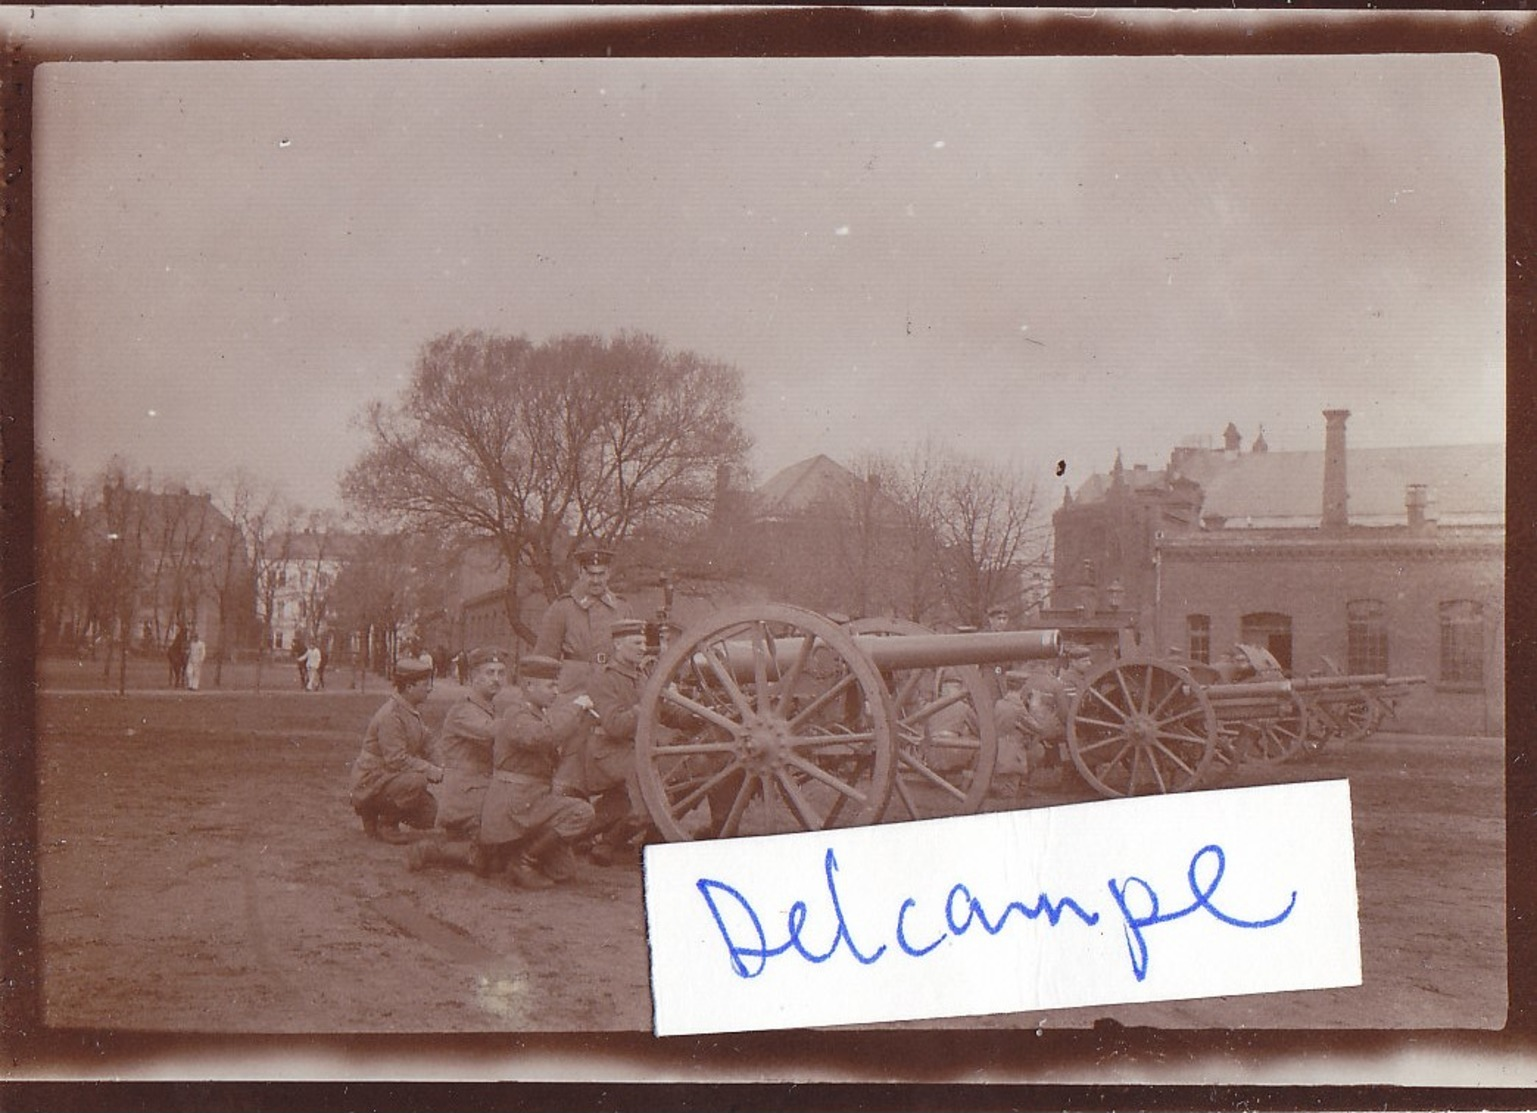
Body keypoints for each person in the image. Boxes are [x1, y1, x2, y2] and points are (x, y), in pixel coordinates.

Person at [477, 655, 597, 889]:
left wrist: (580, 721)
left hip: (531, 801)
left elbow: (554, 738)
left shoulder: (540, 714)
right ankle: (523, 861)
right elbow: (543, 737)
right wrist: (575, 708)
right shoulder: (515, 713)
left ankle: (511, 851)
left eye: (556, 684)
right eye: (550, 685)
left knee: (564, 872)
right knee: (582, 812)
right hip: (513, 803)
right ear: (529, 686)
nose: (556, 691)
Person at [561, 618, 653, 866]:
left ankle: (619, 839)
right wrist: (645, 707)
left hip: (632, 750)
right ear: (618, 644)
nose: (643, 648)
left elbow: (664, 712)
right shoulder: (604, 678)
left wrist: (693, 715)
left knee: (671, 776)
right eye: (637, 642)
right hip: (606, 751)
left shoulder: (641, 675)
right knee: (649, 794)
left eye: (644, 642)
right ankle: (608, 843)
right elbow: (615, 726)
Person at [407, 646, 504, 873]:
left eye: (501, 673)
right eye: (489, 673)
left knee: (498, 857)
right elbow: (491, 733)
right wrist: (521, 719)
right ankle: (431, 851)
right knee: (499, 848)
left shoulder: (490, 707)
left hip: (481, 791)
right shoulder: (464, 709)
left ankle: (465, 847)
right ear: (473, 677)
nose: (496, 679)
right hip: (466, 796)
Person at [350, 656, 443, 843]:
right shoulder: (392, 715)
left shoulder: (409, 710)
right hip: (370, 781)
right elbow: (396, 760)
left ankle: (374, 813)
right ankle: (386, 823)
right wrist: (432, 771)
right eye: (425, 684)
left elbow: (428, 743)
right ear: (409, 687)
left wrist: (444, 766)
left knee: (431, 815)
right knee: (417, 780)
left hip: (386, 780)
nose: (429, 688)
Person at [533, 543, 636, 696]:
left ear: (608, 574)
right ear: (580, 573)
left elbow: (633, 653)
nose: (595, 580)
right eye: (590, 574)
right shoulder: (563, 607)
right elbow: (544, 659)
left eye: (601, 574)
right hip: (574, 687)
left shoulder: (623, 608)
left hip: (613, 687)